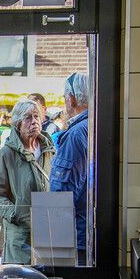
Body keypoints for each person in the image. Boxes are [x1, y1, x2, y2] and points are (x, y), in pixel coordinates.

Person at [0, 99, 55, 264]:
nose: (34, 121)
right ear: (18, 124)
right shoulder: (6, 155)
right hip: (20, 239)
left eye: (36, 116)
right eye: (28, 118)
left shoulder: (50, 151)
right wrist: (17, 214)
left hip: (49, 234)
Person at [50, 73, 90, 260]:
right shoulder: (93, 126)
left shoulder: (75, 135)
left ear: (71, 99)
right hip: (87, 233)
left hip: (77, 237)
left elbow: (61, 195)